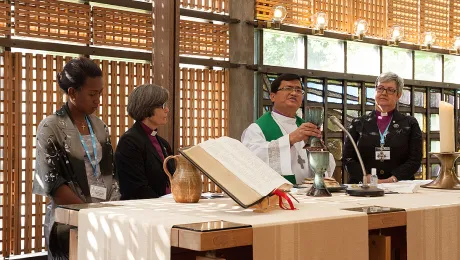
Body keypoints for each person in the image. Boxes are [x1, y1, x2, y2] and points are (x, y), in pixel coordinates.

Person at [32, 58, 120, 259]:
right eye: (92, 94)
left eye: (100, 93)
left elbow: (112, 174)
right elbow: (54, 184)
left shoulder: (100, 126)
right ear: (72, 93)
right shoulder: (50, 127)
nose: (98, 99)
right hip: (69, 219)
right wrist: (89, 213)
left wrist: (111, 210)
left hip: (105, 217)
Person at [241, 73, 335, 184]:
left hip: (307, 194)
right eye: (288, 88)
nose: (294, 93)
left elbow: (328, 166)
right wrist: (290, 140)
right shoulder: (257, 129)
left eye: (299, 90)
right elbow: (250, 160)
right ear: (273, 96)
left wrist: (317, 149)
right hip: (277, 196)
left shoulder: (306, 126)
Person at [343, 72, 422, 184]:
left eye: (390, 90)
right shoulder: (358, 123)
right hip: (364, 186)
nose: (384, 93)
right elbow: (347, 158)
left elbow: (415, 160)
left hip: (400, 186)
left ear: (398, 95)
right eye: (380, 88)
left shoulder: (409, 123)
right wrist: (366, 177)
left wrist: (393, 178)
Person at [115, 84, 175, 200]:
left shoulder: (163, 144)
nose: (167, 110)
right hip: (143, 210)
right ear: (147, 108)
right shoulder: (129, 142)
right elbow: (135, 188)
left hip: (167, 207)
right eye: (163, 106)